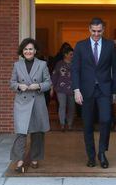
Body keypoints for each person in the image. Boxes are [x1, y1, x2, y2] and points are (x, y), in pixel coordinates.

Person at [71, 17, 116, 168]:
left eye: (99, 31)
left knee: (105, 120)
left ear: (103, 30)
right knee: (88, 124)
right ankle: (91, 156)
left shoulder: (110, 45)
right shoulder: (80, 46)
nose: (96, 34)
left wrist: (115, 91)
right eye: (93, 31)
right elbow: (75, 70)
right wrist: (76, 90)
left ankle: (102, 153)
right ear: (89, 29)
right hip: (86, 91)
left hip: (104, 90)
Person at [9, 38, 52, 173]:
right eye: (26, 49)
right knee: (21, 133)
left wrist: (38, 85)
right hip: (22, 102)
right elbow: (12, 83)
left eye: (31, 49)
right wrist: (18, 86)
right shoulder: (17, 65)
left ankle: (35, 158)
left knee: (37, 132)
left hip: (37, 101)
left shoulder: (42, 64)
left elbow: (48, 83)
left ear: (35, 51)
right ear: (22, 51)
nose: (28, 51)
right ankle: (19, 160)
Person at [50, 46, 75, 131]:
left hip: (72, 89)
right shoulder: (59, 64)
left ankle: (70, 124)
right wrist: (52, 88)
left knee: (72, 107)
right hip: (60, 89)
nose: (72, 56)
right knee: (62, 106)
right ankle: (62, 124)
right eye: (71, 54)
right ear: (65, 55)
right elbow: (54, 76)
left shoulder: (75, 64)